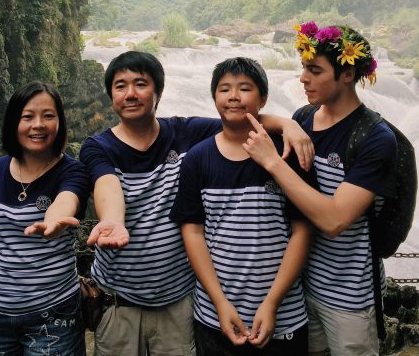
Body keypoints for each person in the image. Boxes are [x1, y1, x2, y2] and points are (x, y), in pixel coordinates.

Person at [79, 51, 314, 356]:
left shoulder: (187, 133)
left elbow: (237, 118)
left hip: (179, 302)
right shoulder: (98, 146)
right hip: (118, 302)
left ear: (158, 92)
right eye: (120, 86)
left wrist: (288, 125)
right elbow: (106, 183)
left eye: (141, 84)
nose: (131, 94)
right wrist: (112, 219)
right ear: (111, 96)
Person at [243, 23, 397, 356]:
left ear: (347, 73)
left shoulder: (373, 138)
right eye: (303, 68)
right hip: (302, 288)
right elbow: (249, 118)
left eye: (314, 70)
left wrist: (273, 163)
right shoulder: (304, 118)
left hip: (350, 297)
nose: (303, 78)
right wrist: (286, 124)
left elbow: (334, 221)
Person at [170, 57, 314, 356]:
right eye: (224, 89)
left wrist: (272, 303)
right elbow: (193, 233)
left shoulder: (286, 153)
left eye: (244, 88)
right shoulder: (197, 159)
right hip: (214, 315)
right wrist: (220, 303)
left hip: (284, 314)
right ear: (214, 98)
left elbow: (302, 231)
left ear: (262, 99)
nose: (233, 96)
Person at [0, 81, 89, 356]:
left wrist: (54, 220)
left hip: (53, 314)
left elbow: (67, 200)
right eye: (28, 116)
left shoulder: (73, 171)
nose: (38, 125)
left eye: (48, 116)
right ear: (13, 122)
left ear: (60, 122)